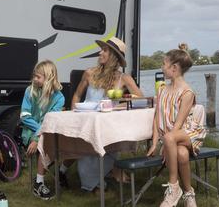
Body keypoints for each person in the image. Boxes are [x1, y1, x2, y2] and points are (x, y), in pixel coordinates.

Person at [71, 37, 143, 193]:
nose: (100, 52)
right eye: (101, 49)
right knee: (87, 156)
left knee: (106, 149)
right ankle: (99, 179)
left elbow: (141, 100)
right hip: (88, 124)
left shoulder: (124, 79)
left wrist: (123, 101)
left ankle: (104, 176)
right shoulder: (89, 73)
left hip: (109, 128)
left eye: (104, 50)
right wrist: (74, 116)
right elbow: (77, 96)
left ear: (114, 56)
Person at [147, 43, 206, 207]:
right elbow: (156, 117)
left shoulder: (187, 92)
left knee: (171, 139)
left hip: (187, 133)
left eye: (163, 64)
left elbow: (178, 125)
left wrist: (167, 143)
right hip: (171, 137)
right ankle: (189, 194)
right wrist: (154, 143)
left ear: (173, 68)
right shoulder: (162, 90)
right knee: (181, 154)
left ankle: (173, 187)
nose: (161, 67)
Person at [20, 60, 65, 200]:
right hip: (29, 133)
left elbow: (50, 121)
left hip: (47, 132)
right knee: (46, 142)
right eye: (34, 75)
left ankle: (59, 173)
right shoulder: (30, 91)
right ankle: (39, 183)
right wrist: (35, 137)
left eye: (38, 77)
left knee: (61, 139)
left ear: (49, 78)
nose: (34, 79)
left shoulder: (59, 98)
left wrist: (37, 138)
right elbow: (24, 116)